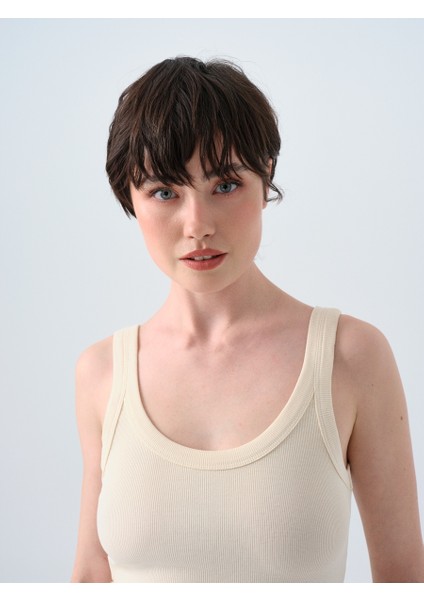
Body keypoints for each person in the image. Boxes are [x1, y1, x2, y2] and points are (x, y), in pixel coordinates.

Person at [71, 56, 424, 583]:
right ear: (130, 196)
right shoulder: (103, 373)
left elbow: (405, 578)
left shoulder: (350, 357)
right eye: (165, 192)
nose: (197, 225)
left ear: (266, 177)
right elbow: (91, 576)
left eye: (225, 185)